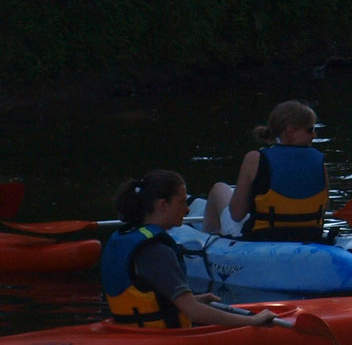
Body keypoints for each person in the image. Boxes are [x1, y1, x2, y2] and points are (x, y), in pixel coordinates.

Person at [102, 170, 282, 330]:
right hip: (161, 339)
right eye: (181, 203)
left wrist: (193, 300)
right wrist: (253, 322)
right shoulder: (156, 250)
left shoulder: (125, 236)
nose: (187, 210)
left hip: (129, 329)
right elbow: (194, 313)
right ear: (163, 205)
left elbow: (157, 299)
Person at [203, 100, 329, 242]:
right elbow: (322, 210)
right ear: (290, 130)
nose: (314, 136)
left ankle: (209, 244)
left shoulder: (254, 158)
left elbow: (236, 214)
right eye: (310, 130)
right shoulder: (319, 162)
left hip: (262, 239)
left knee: (219, 188)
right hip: (310, 237)